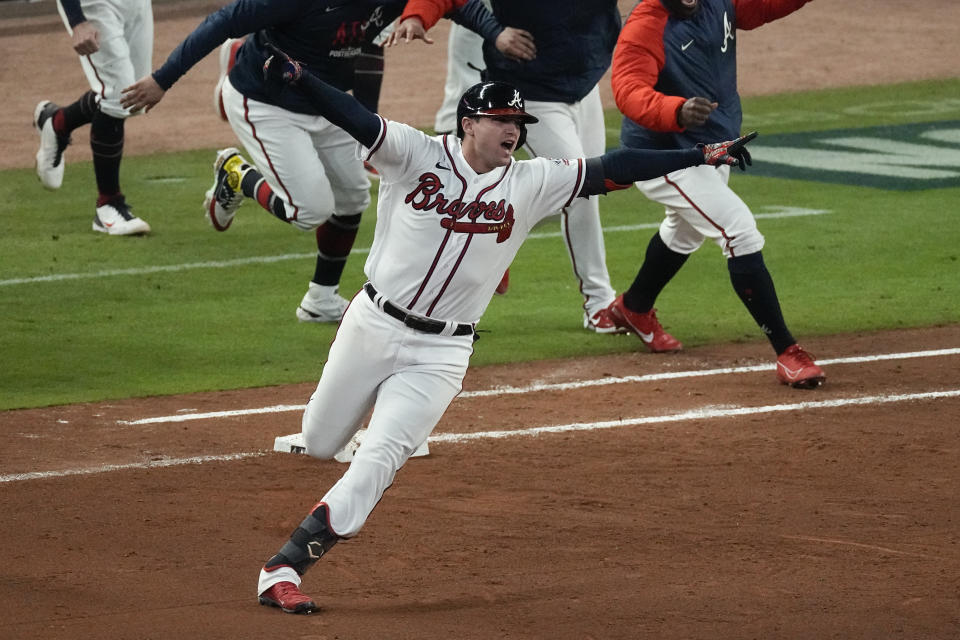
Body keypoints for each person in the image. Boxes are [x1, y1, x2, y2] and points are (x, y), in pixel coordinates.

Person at [250, 46, 755, 613]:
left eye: (519, 123)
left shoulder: (534, 181)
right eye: (502, 121)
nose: (514, 131)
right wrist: (301, 77)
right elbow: (356, 118)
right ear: (470, 123)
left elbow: (614, 169)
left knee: (379, 458)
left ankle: (284, 568)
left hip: (443, 350)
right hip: (371, 324)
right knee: (320, 441)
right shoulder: (414, 153)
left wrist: (698, 154)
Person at [120, 0, 413, 322]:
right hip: (266, 102)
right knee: (309, 211)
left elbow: (457, 5)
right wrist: (162, 79)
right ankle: (236, 175)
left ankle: (321, 299)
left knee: (352, 198)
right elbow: (221, 21)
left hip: (329, 100)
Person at [609, 0, 824, 389]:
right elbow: (627, 90)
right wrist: (674, 110)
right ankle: (788, 353)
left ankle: (633, 307)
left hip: (712, 145)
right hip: (664, 155)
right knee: (738, 230)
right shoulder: (646, 25)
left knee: (685, 230)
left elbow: (761, 8)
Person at [390, 0, 624, 330]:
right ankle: (599, 303)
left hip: (582, 85)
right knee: (581, 188)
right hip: (532, 90)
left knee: (583, 192)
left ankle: (496, 227)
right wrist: (491, 31)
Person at [33, 0, 152, 236]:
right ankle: (108, 205)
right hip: (95, 4)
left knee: (136, 97)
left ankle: (57, 122)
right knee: (118, 98)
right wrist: (76, 20)